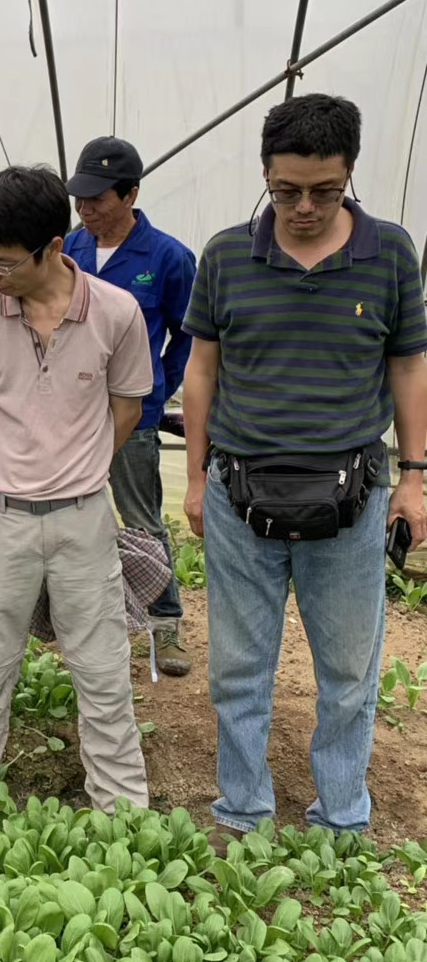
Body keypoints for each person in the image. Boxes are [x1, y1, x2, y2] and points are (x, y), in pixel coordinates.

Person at [181, 94, 427, 853]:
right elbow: (201, 370)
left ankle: (342, 816)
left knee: (350, 670)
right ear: (265, 175)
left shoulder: (390, 253)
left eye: (325, 190)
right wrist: (194, 478)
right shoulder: (226, 255)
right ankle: (242, 810)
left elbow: (408, 366)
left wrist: (414, 477)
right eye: (286, 191)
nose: (305, 207)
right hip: (239, 493)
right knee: (237, 667)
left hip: (351, 496)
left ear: (350, 174)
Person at [0, 165, 153, 809]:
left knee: (103, 670)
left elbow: (126, 410)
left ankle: (121, 808)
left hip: (83, 519)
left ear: (53, 247)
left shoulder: (117, 312)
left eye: (3, 262)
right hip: (1, 517)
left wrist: (74, 465)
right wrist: (17, 455)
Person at [64, 136, 197, 675]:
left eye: (98, 199)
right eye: (80, 198)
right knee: (69, 514)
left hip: (131, 416)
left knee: (141, 518)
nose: (86, 209)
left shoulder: (167, 257)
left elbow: (188, 337)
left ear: (131, 195)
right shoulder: (68, 250)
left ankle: (165, 625)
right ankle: (79, 615)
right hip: (70, 412)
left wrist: (157, 388)